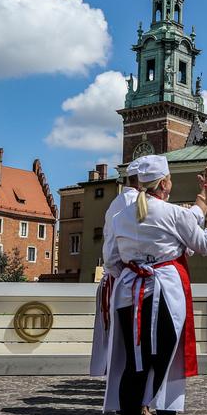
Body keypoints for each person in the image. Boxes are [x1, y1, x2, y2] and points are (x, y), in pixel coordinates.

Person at [102, 157, 207, 415]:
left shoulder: (121, 216)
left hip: (128, 293)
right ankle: (163, 409)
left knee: (135, 362)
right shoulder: (173, 213)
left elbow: (111, 260)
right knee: (166, 361)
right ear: (165, 183)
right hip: (164, 291)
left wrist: (136, 270)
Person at [91, 158, 140, 378]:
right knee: (136, 342)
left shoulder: (115, 203)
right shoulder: (140, 203)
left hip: (116, 277)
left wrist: (118, 274)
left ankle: (120, 390)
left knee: (116, 340)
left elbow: (109, 254)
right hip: (136, 282)